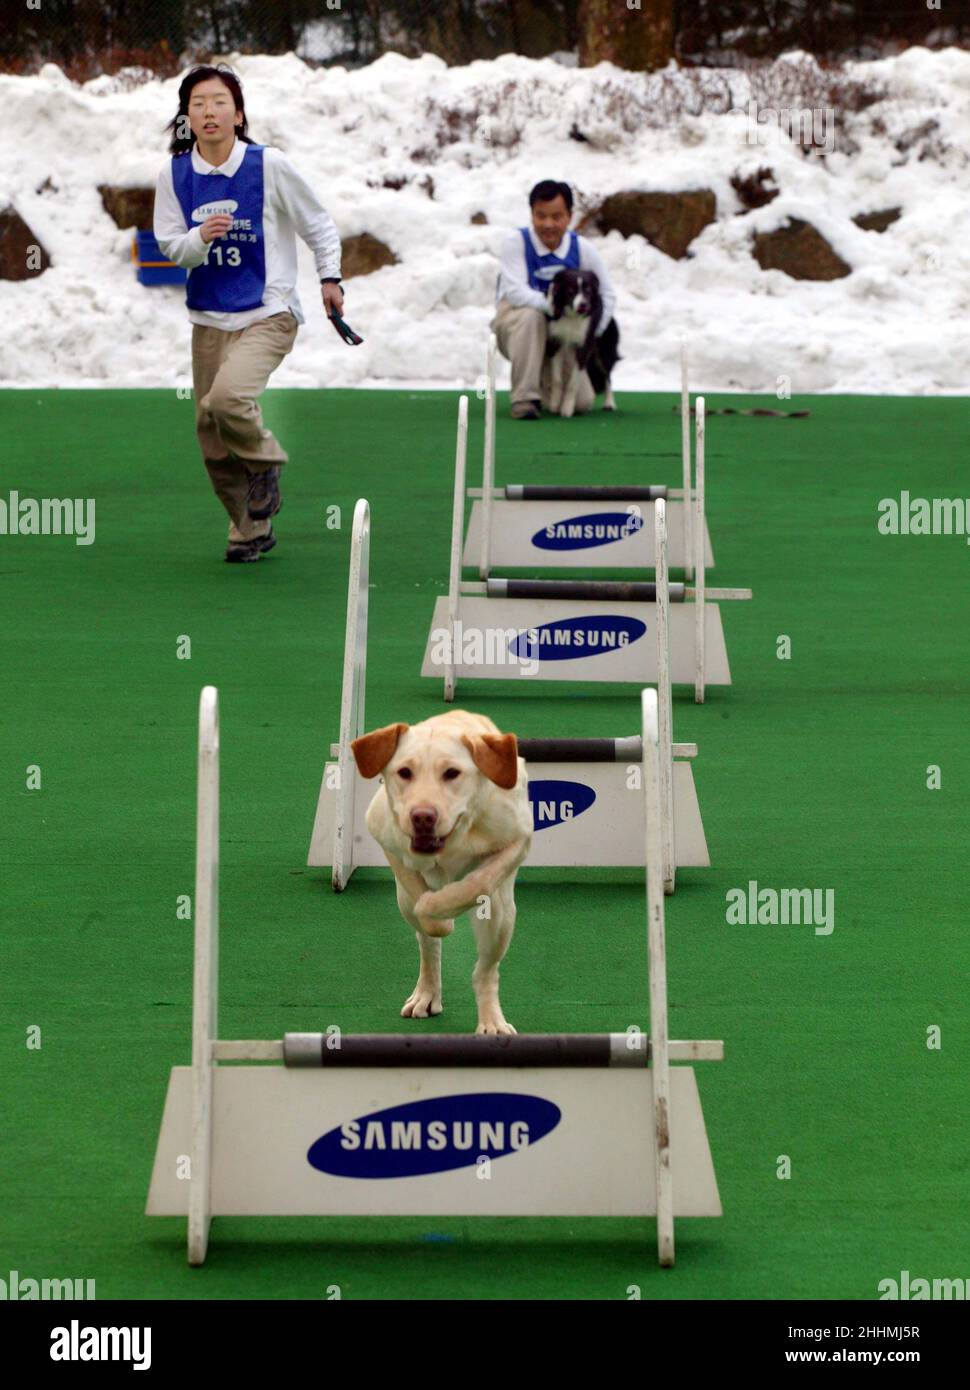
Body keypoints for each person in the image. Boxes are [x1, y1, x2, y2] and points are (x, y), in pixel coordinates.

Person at [154, 64, 344, 562]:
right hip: (208, 319)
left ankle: (266, 462)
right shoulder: (174, 174)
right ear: (187, 117)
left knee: (229, 399)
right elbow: (171, 246)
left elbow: (318, 224)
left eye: (219, 102)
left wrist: (330, 278)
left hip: (268, 312)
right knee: (212, 443)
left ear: (238, 114)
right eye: (197, 104)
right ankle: (249, 530)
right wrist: (199, 239)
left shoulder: (269, 165)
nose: (208, 112)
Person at [492, 179, 616, 420]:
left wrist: (591, 333)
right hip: (516, 327)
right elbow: (516, 293)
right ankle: (525, 399)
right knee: (531, 315)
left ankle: (543, 381)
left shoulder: (582, 249)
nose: (548, 224)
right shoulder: (516, 243)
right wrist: (553, 307)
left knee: (581, 403)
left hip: (562, 337)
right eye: (541, 216)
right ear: (532, 215)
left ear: (569, 216)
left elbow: (607, 294)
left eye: (556, 216)